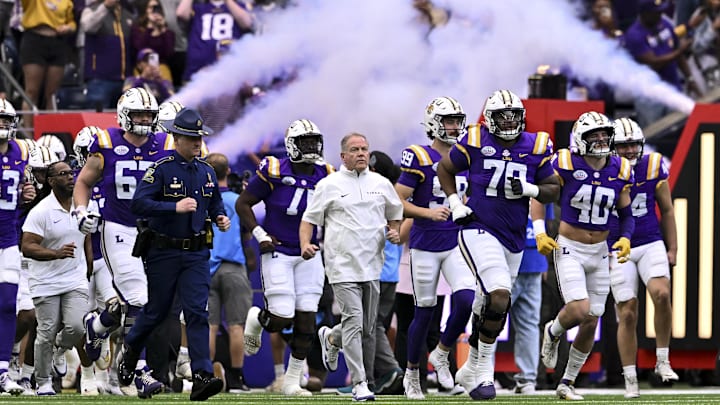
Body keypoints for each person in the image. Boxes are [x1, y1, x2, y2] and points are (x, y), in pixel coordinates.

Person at [436, 89, 559, 400]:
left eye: (513, 115)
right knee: (500, 294)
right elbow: (444, 168)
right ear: (489, 120)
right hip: (477, 227)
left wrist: (531, 188)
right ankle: (483, 372)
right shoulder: (476, 140)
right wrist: (454, 201)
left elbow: (553, 187)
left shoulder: (536, 144)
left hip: (514, 236)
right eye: (501, 116)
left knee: (487, 304)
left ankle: (469, 371)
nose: (507, 122)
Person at [119, 107, 230, 401]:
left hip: (196, 253)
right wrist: (173, 207)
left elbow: (214, 202)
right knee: (156, 311)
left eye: (199, 137)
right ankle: (130, 351)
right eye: (191, 138)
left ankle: (202, 376)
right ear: (177, 138)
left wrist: (220, 217)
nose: (197, 143)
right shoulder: (162, 168)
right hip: (163, 251)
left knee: (197, 312)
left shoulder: (206, 171)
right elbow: (139, 204)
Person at [73, 87, 170, 397]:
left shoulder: (165, 144)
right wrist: (80, 210)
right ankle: (136, 371)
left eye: (148, 115)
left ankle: (97, 326)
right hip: (118, 227)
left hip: (154, 231)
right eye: (138, 114)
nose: (144, 120)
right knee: (140, 300)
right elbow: (84, 182)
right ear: (124, 115)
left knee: (144, 303)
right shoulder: (106, 143)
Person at [300, 133, 404, 402]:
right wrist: (305, 244)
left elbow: (396, 214)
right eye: (355, 150)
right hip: (341, 265)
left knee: (367, 329)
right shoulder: (328, 184)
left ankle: (333, 338)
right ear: (343, 156)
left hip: (372, 266)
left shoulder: (381, 184)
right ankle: (360, 383)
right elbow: (308, 219)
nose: (361, 154)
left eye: (365, 149)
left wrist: (394, 231)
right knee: (356, 323)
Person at [539, 111, 635, 401]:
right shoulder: (565, 162)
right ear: (580, 139)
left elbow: (626, 212)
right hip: (570, 246)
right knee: (579, 309)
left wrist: (626, 237)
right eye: (595, 135)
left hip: (600, 250)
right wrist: (538, 231)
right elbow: (540, 194)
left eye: (605, 134)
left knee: (593, 318)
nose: (602, 140)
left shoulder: (621, 168)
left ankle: (567, 382)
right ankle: (553, 331)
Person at [237, 118, 333, 396]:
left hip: (310, 253)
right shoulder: (275, 169)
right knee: (281, 317)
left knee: (307, 322)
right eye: (305, 142)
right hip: (278, 250)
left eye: (315, 141)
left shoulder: (327, 173)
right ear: (292, 145)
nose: (312, 147)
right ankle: (258, 318)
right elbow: (244, 203)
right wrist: (260, 235)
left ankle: (292, 382)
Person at [394, 96, 475, 399]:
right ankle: (412, 372)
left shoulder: (466, 156)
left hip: (456, 242)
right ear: (433, 124)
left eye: (457, 120)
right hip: (426, 243)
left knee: (467, 300)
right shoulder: (419, 156)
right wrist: (427, 213)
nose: (455, 127)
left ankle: (441, 353)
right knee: (424, 313)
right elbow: (396, 200)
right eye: (449, 121)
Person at [608, 117, 678, 398]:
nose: (629, 151)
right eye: (623, 146)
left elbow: (668, 209)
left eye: (633, 145)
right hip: (616, 246)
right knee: (627, 312)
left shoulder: (652, 165)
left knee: (661, 294)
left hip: (649, 240)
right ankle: (630, 379)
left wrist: (673, 247)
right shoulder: (603, 170)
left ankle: (662, 360)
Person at [20, 161, 94, 396]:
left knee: (77, 326)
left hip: (75, 278)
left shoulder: (81, 206)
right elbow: (27, 246)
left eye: (72, 173)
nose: (71, 177)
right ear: (51, 181)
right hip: (46, 281)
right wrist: (55, 253)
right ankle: (42, 382)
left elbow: (86, 238)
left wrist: (89, 264)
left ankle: (60, 350)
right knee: (46, 332)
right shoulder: (41, 211)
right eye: (63, 174)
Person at [205, 152, 256, 393]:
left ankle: (203, 374)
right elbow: (247, 234)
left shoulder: (203, 199)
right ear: (227, 172)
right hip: (234, 266)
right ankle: (236, 378)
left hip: (206, 266)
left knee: (209, 326)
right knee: (237, 325)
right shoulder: (238, 200)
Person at [0, 99, 35, 396]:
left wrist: (25, 194)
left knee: (10, 305)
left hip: (9, 239)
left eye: (5, 120)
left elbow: (20, 192)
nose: (2, 126)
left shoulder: (21, 151)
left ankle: (1, 371)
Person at [622, 0, 699, 126]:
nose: (660, 14)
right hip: (649, 97)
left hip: (673, 87)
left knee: (681, 128)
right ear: (644, 13)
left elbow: (678, 55)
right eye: (655, 12)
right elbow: (654, 63)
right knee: (656, 135)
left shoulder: (665, 24)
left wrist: (690, 78)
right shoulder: (634, 35)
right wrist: (680, 51)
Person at [509, 200, 555, 395]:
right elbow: (548, 223)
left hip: (507, 254)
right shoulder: (542, 178)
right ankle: (527, 378)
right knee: (529, 323)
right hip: (532, 256)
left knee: (490, 320)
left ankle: (483, 375)